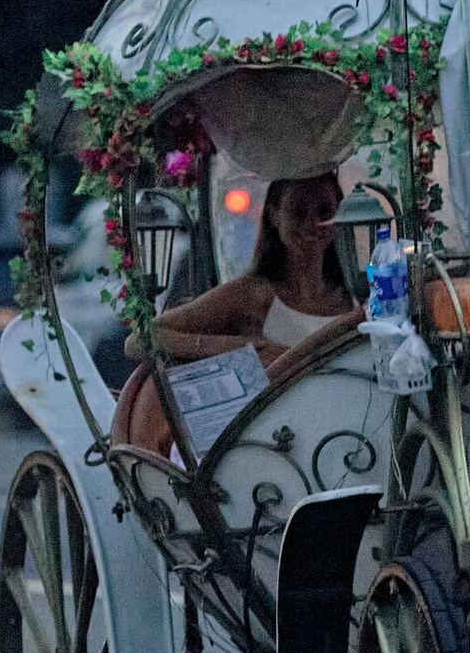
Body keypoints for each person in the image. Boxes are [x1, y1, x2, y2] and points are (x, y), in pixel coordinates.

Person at [111, 172, 355, 452]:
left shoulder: (356, 295)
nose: (313, 223)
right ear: (274, 216)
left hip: (349, 439)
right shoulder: (252, 294)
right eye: (299, 211)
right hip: (281, 455)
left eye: (324, 211)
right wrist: (238, 349)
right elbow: (139, 338)